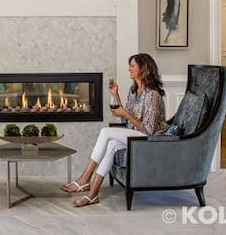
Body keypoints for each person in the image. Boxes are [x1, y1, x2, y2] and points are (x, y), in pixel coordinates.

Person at [60, 53, 168, 207]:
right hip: (137, 136)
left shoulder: (153, 95)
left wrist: (125, 114)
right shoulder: (133, 91)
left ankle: (84, 179)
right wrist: (115, 95)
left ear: (144, 69)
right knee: (111, 146)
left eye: (132, 66)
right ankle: (93, 194)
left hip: (150, 140)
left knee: (106, 132)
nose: (129, 69)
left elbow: (148, 131)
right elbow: (126, 120)